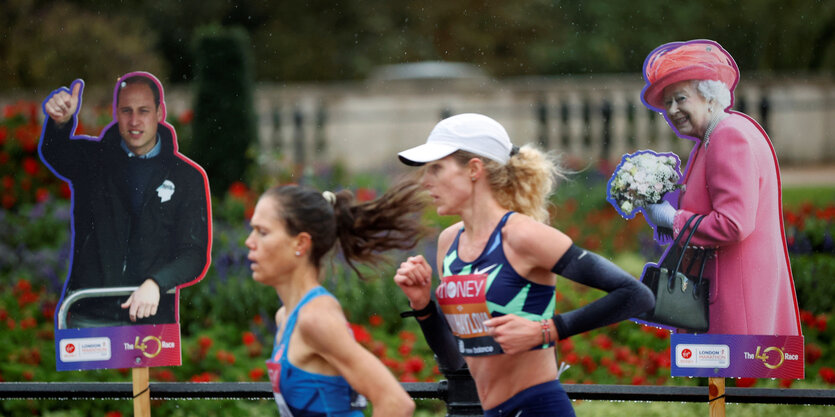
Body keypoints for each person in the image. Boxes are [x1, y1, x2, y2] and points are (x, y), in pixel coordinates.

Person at [393, 113, 655, 417]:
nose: (425, 181)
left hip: (537, 407)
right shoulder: (448, 244)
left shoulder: (522, 235)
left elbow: (636, 295)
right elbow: (457, 361)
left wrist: (547, 331)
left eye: (436, 168)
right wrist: (422, 304)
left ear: (474, 169)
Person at [640, 40, 802, 336]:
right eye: (667, 104)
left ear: (709, 96)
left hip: (734, 305)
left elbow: (733, 223)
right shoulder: (716, 135)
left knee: (732, 383)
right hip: (729, 298)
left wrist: (670, 218)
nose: (672, 110)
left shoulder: (728, 137)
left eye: (681, 99)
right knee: (720, 384)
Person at [40, 73, 211, 327]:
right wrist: (61, 123)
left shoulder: (187, 177)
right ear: (116, 113)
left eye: (143, 111)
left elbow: (193, 254)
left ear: (160, 113)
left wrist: (156, 283)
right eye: (126, 111)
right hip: (88, 314)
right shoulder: (93, 161)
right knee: (87, 369)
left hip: (151, 318)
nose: (134, 121)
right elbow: (55, 152)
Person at [245, 182, 424, 417]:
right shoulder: (286, 316)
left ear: (300, 243)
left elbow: (396, 403)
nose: (249, 241)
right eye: (252, 230)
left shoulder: (315, 318)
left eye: (263, 232)